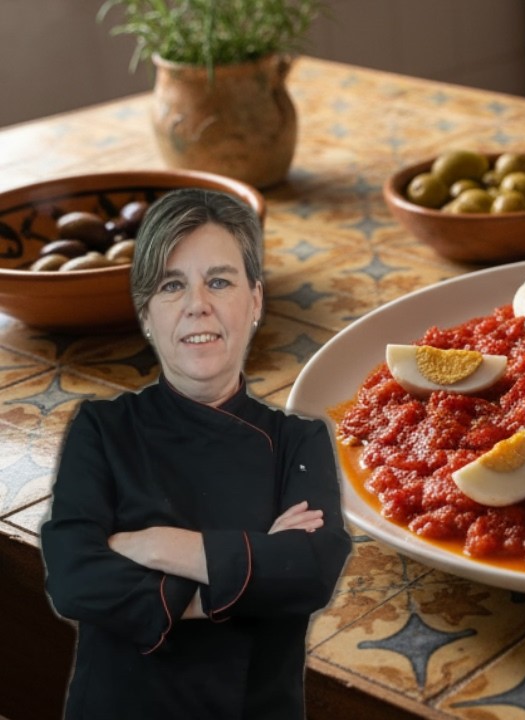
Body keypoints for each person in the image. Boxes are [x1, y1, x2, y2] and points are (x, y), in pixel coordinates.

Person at [40, 188, 352, 719]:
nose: (197, 304)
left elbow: (308, 571)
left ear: (255, 301)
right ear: (145, 314)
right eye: (171, 285)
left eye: (220, 281)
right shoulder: (102, 429)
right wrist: (250, 569)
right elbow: (74, 579)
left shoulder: (300, 440)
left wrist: (155, 544)